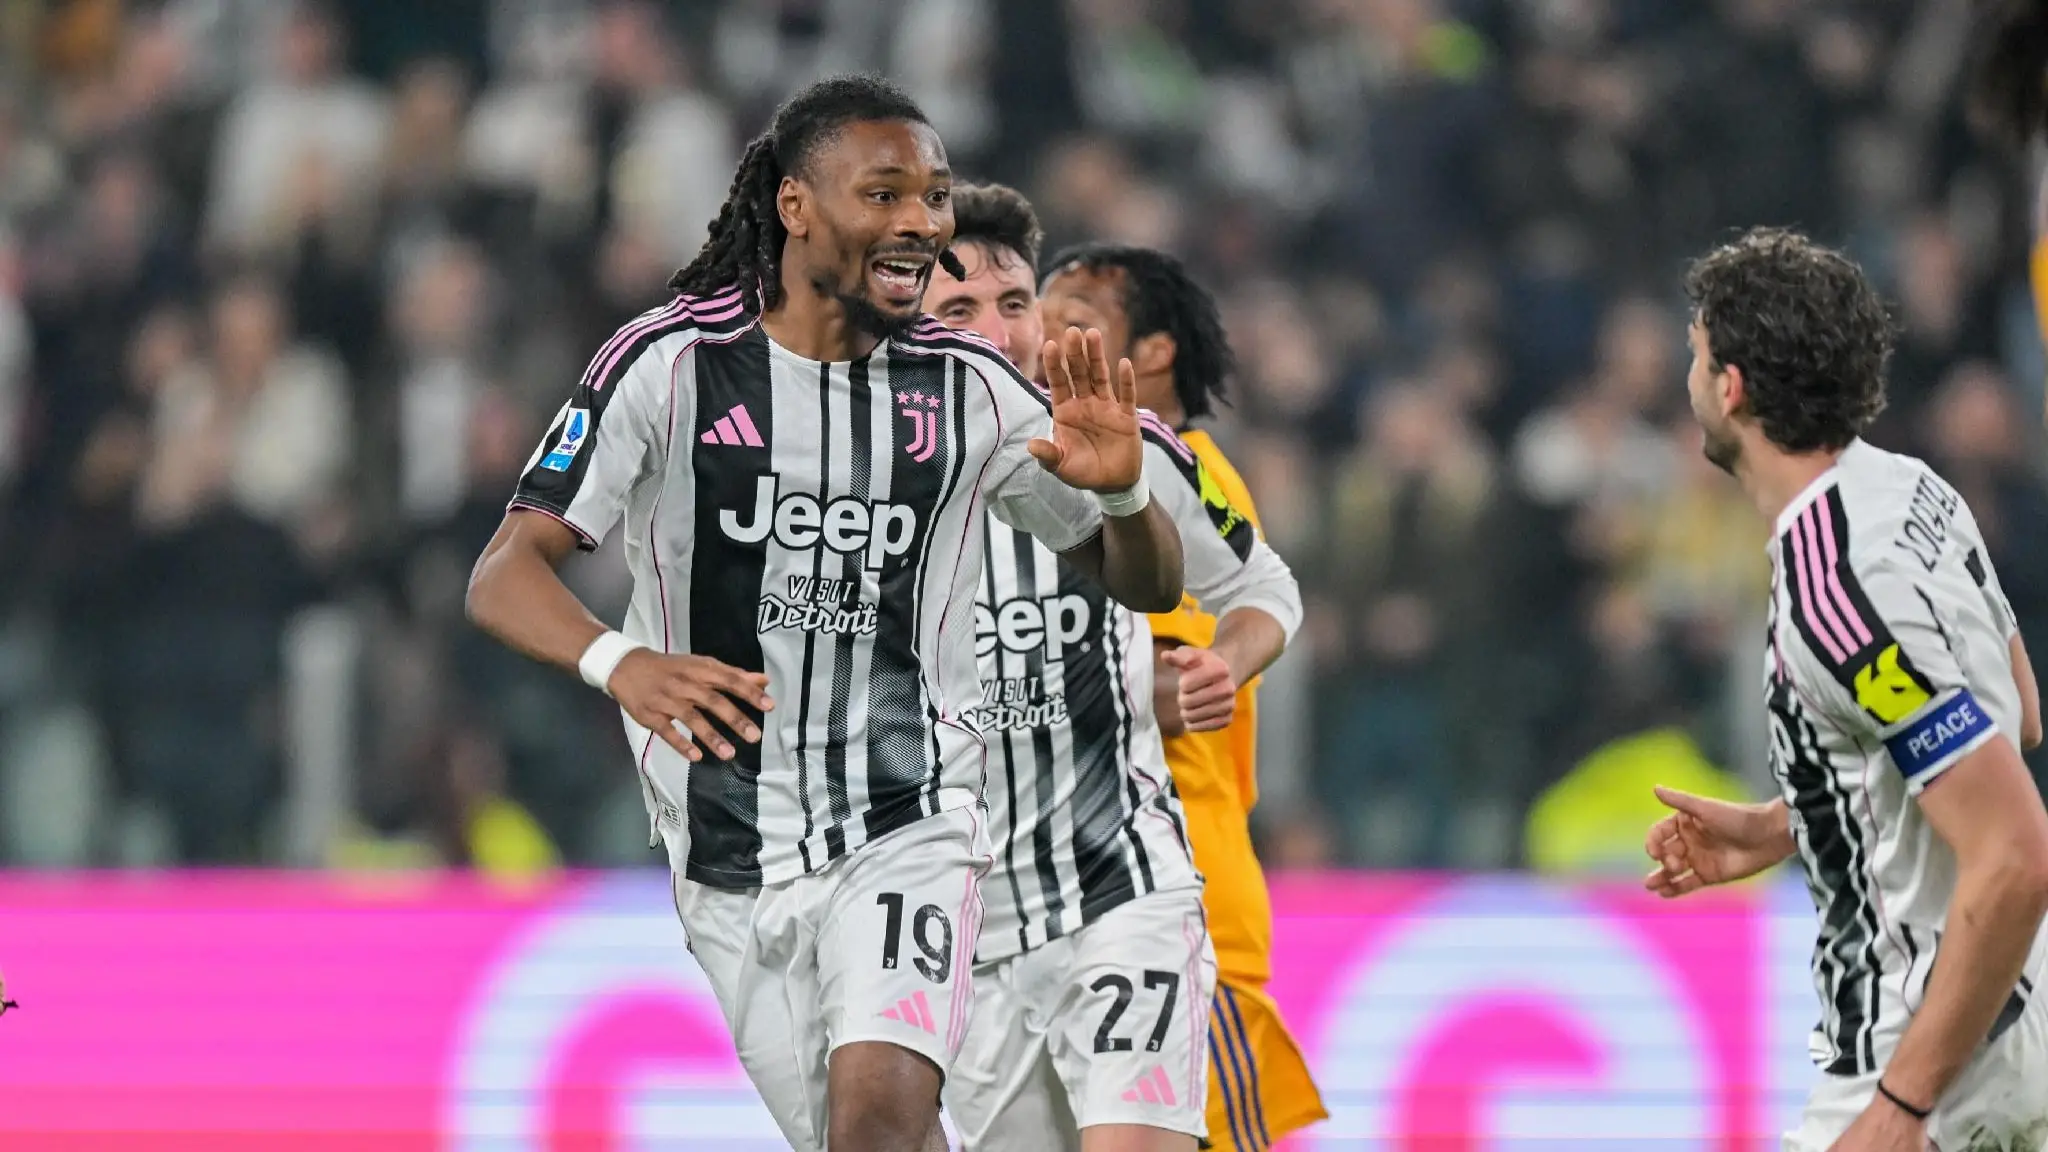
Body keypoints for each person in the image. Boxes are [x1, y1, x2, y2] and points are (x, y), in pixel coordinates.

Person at [464, 76, 1186, 1152]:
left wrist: (1123, 495)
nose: (920, 225)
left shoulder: (969, 390)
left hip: (909, 822)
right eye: (884, 194)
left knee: (880, 1122)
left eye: (933, 198)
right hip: (728, 849)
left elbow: (1146, 583)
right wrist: (623, 663)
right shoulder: (670, 365)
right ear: (795, 205)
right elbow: (503, 573)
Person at [1643, 228, 2048, 1152]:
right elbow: (2017, 713)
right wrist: (1796, 820)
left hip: (1927, 1060)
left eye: (1695, 356)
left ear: (1732, 387)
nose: (1689, 379)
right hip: (2021, 1031)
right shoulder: (1916, 491)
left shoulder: (1838, 595)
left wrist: (1901, 1106)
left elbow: (2017, 849)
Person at [929, 185, 1304, 1152]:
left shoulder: (1146, 455)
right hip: (981, 919)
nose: (1022, 333)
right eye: (964, 307)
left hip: (1153, 873)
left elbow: (1259, 589)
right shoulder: (871, 469)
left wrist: (1211, 669)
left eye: (1028, 308)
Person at [1032, 243, 1327, 1152]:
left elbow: (1172, 680)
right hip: (1083, 898)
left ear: (1153, 353)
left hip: (1181, 890)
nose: (1047, 341)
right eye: (1040, 319)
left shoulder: (1182, 471)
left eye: (1076, 323)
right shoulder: (1038, 471)